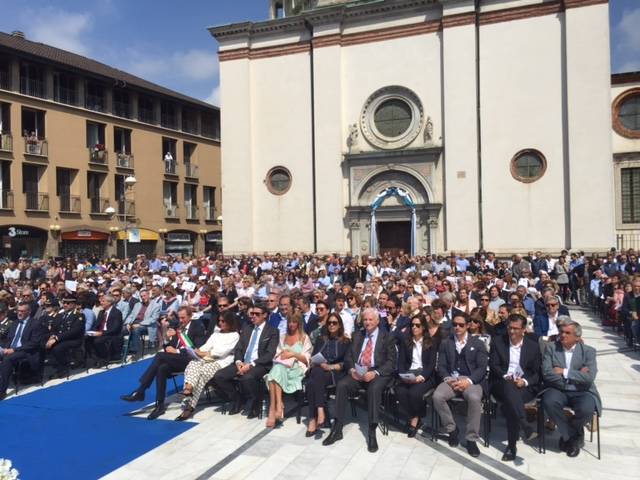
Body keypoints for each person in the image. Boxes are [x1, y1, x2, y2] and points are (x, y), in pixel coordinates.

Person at [322, 308, 397, 453]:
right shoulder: (357, 335)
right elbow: (348, 357)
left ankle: (371, 431)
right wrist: (351, 370)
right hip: (358, 371)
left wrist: (375, 372)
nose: (367, 322)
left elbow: (391, 362)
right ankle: (337, 429)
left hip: (377, 373)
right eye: (365, 320)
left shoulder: (387, 337)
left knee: (374, 389)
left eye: (370, 320)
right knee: (342, 385)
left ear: (377, 321)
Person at [120, 306, 206, 419]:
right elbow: (167, 347)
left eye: (183, 318)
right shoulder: (178, 326)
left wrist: (177, 350)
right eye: (179, 317)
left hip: (191, 361)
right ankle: (159, 406)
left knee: (160, 356)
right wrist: (166, 338)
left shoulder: (197, 326)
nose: (180, 320)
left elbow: (197, 348)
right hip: (176, 359)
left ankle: (141, 391)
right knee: (162, 368)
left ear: (190, 316)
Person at [541, 319, 601, 458]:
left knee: (587, 408)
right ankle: (573, 437)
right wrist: (578, 375)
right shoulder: (551, 348)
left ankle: (567, 434)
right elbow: (547, 374)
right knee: (549, 401)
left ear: (577, 337)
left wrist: (564, 372)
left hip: (582, 391)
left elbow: (589, 378)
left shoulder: (588, 352)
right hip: (558, 389)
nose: (563, 335)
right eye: (561, 332)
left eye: (567, 333)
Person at [432, 312, 489, 457]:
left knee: (475, 399)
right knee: (437, 396)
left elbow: (482, 368)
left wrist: (468, 381)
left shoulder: (478, 343)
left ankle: (471, 438)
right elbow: (442, 365)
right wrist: (447, 378)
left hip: (471, 380)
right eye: (455, 324)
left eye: (461, 325)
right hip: (451, 378)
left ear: (468, 326)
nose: (457, 327)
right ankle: (452, 429)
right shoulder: (446, 342)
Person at [212, 303, 279, 418]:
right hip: (242, 362)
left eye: (257, 314)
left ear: (265, 315)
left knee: (247, 378)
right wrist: (238, 361)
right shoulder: (247, 328)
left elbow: (269, 354)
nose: (253, 316)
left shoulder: (272, 331)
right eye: (252, 313)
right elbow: (239, 348)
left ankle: (255, 403)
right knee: (219, 376)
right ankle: (237, 398)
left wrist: (251, 365)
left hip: (260, 364)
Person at [489, 314, 541, 461]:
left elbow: (537, 373)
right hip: (501, 382)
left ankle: (512, 446)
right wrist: (507, 376)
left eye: (516, 329)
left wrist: (524, 381)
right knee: (509, 389)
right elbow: (494, 365)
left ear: (523, 330)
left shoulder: (533, 347)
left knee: (512, 402)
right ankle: (524, 425)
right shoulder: (499, 342)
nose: (512, 331)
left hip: (523, 387)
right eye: (509, 328)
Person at [176, 310, 240, 421]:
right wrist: (199, 351)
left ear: (230, 322)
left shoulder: (234, 335)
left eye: (223, 321)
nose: (221, 323)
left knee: (201, 374)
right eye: (219, 321)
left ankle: (189, 406)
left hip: (220, 362)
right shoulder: (216, 334)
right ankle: (188, 389)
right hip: (206, 359)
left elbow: (221, 352)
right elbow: (206, 346)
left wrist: (201, 353)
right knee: (192, 364)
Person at [304, 312, 350, 436]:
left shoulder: (345, 341)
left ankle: (313, 418)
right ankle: (319, 410)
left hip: (334, 373)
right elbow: (314, 356)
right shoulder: (321, 339)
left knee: (310, 383)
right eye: (329, 323)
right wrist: (314, 362)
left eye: (334, 323)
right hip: (319, 370)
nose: (331, 325)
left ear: (339, 325)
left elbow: (346, 363)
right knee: (316, 374)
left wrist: (330, 366)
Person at [264, 312, 312, 428]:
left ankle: (274, 409)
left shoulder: (304, 338)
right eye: (289, 322)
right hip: (282, 365)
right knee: (277, 370)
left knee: (274, 373)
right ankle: (277, 406)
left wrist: (293, 354)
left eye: (294, 322)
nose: (291, 324)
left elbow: (306, 359)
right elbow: (276, 355)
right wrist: (282, 353)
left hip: (296, 368)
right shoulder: (282, 336)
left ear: (299, 323)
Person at [395, 313, 437, 437]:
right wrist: (403, 375)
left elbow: (431, 364)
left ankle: (414, 420)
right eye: (412, 325)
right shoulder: (406, 341)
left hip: (425, 374)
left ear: (423, 327)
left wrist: (422, 377)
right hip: (409, 372)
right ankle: (414, 416)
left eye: (417, 325)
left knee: (414, 393)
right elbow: (401, 362)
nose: (414, 327)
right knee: (400, 391)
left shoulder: (431, 342)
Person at [0, 302, 46, 400]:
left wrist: (14, 349)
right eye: (18, 311)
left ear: (29, 312)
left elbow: (33, 344)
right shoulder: (15, 323)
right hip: (12, 349)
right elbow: (9, 339)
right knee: (5, 355)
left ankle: (2, 391)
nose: (19, 313)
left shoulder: (35, 324)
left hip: (26, 351)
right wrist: (4, 348)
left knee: (7, 359)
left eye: (22, 311)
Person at [45, 294, 85, 378]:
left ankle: (62, 369)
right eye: (64, 303)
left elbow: (74, 332)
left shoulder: (79, 316)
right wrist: (52, 336)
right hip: (61, 339)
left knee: (58, 348)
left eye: (68, 303)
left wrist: (56, 338)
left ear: (74, 304)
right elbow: (55, 328)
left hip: (74, 340)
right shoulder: (61, 315)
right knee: (43, 343)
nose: (65, 305)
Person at [85, 294, 124, 366]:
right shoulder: (101, 312)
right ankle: (94, 358)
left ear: (109, 302)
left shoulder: (117, 312)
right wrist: (91, 332)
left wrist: (102, 333)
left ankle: (104, 358)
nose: (101, 303)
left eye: (103, 301)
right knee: (87, 339)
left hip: (111, 334)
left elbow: (115, 328)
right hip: (100, 332)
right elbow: (97, 325)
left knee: (98, 341)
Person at [125, 288, 161, 360]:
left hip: (147, 325)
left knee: (136, 330)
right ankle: (119, 351)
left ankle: (134, 351)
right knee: (121, 330)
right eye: (141, 296)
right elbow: (131, 315)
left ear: (148, 295)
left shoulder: (156, 305)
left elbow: (153, 319)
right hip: (134, 323)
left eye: (144, 296)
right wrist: (128, 323)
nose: (143, 298)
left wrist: (140, 324)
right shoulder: (137, 304)